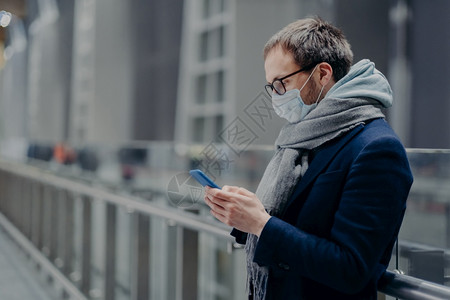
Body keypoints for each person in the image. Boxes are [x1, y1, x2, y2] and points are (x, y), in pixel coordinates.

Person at [204, 17, 413, 300]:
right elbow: (295, 219)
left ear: (322, 73)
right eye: (271, 86)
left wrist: (261, 224)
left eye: (282, 82)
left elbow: (351, 268)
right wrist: (242, 214)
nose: (277, 95)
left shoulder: (377, 149)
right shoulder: (301, 136)